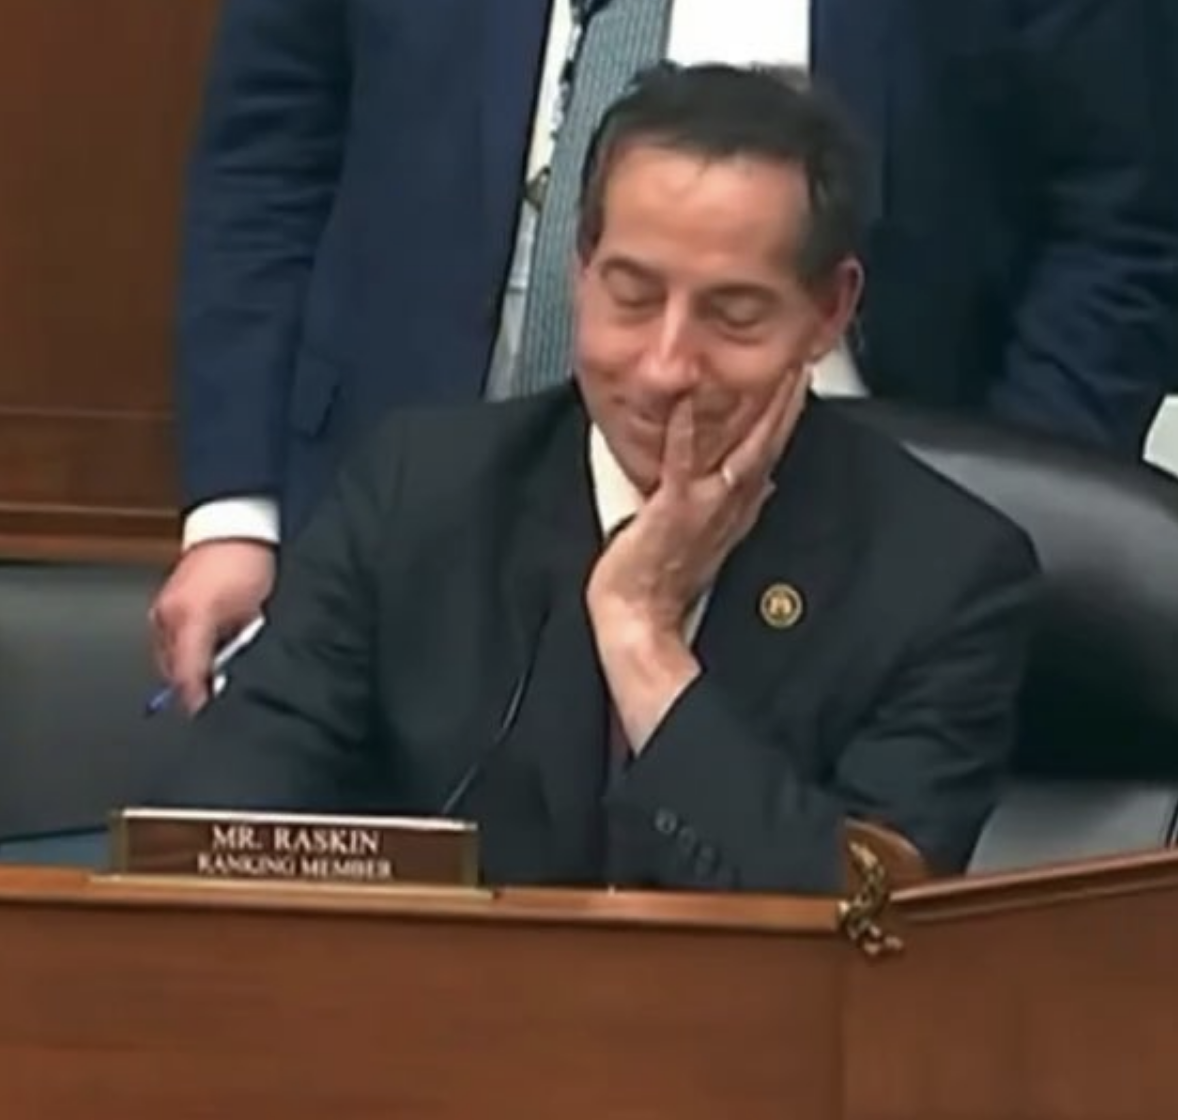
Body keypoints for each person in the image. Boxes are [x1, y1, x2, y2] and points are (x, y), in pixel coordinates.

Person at [156, 66, 1041, 896]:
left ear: (829, 311)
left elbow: (869, 918)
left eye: (732, 316)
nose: (664, 368)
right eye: (631, 296)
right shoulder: (419, 491)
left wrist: (641, 638)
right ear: (579, 270)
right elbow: (215, 831)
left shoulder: (945, 572)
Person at [153, 0, 1163, 712]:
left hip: (835, 541)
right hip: (427, 520)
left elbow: (1122, 219)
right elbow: (269, 156)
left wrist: (1006, 523)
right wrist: (240, 512)